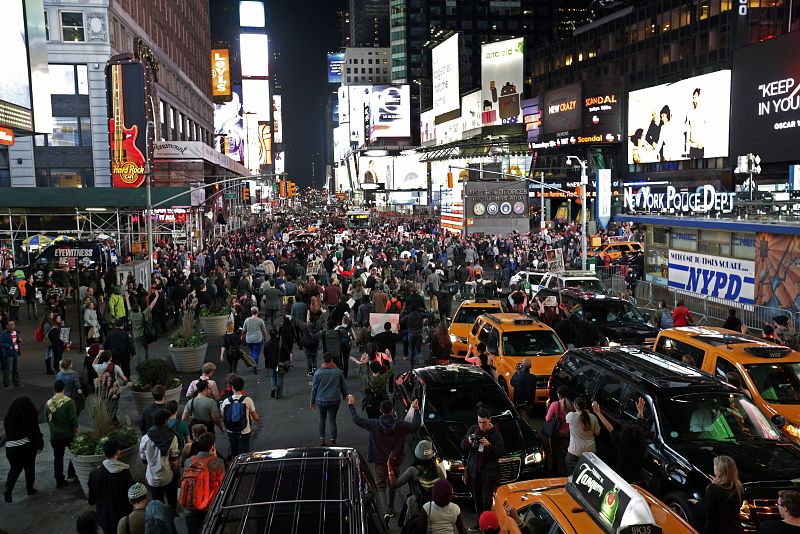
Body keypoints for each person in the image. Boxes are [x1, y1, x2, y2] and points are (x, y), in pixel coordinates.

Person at [346, 394, 421, 521]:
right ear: (392, 410)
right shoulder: (401, 425)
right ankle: (391, 509)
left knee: (380, 486)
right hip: (395, 460)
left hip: (379, 460)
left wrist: (351, 405)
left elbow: (356, 419)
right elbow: (415, 426)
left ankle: (385, 511)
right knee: (393, 484)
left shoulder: (373, 424)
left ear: (381, 411)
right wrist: (416, 410)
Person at [387, 440, 444, 527]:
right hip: (435, 506)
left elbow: (394, 484)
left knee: (410, 525)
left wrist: (389, 466)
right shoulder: (437, 468)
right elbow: (444, 483)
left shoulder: (413, 470)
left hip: (417, 506)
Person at [462, 406, 506, 520]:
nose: (482, 425)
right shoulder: (473, 430)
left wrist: (489, 445)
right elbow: (462, 446)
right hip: (474, 472)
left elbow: (500, 452)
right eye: (479, 422)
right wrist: (468, 441)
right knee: (477, 500)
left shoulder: (495, 434)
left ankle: (487, 523)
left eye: (484, 422)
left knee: (486, 501)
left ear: (489, 420)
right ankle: (480, 521)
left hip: (488, 474)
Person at [592, 398, 649, 484]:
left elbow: (610, 428)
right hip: (636, 476)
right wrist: (640, 411)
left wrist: (598, 413)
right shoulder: (641, 443)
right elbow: (640, 428)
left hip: (621, 476)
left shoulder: (621, 442)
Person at [181, 432, 226, 534]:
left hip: (191, 507)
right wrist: (214, 456)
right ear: (213, 446)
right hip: (209, 508)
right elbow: (222, 483)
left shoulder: (189, 461)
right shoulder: (218, 462)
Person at [87, 438, 134, 534]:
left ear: (104, 453)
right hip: (122, 517)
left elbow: (91, 499)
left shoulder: (94, 473)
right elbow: (132, 494)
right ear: (118, 452)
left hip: (104, 517)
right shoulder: (124, 472)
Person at [3, 396, 44, 502]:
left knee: (14, 469)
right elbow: (35, 431)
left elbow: (7, 433)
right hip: (26, 447)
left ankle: (8, 489)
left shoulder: (9, 418)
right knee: (29, 468)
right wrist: (40, 444)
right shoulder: (29, 417)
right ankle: (30, 488)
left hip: (11, 447)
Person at [689, 455, 743, 534]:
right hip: (734, 529)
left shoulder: (713, 489)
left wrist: (696, 503)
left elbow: (706, 512)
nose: (713, 467)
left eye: (714, 465)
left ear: (719, 470)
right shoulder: (738, 487)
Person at [139, 408, 180, 509]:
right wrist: (177, 474)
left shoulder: (145, 438)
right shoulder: (172, 437)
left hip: (152, 478)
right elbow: (174, 461)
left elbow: (144, 459)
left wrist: (146, 472)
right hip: (167, 476)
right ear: (165, 421)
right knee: (172, 501)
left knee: (158, 503)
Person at [310, 353, 348, 446]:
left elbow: (314, 388)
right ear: (332, 360)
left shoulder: (318, 373)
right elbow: (343, 386)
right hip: (334, 399)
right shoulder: (338, 372)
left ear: (323, 361)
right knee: (332, 420)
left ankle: (322, 439)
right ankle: (333, 439)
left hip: (321, 399)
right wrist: (344, 395)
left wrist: (312, 401)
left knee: (322, 419)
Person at [46, 379, 78, 488]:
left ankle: (59, 480)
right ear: (64, 389)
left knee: (58, 458)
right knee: (75, 454)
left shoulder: (49, 403)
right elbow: (73, 418)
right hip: (68, 434)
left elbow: (47, 419)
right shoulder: (69, 402)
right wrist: (76, 429)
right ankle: (72, 473)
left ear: (54, 389)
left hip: (55, 436)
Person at [219, 375, 260, 458]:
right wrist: (257, 420)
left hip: (231, 430)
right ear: (242, 387)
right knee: (244, 454)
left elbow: (223, 416)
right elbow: (255, 416)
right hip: (245, 430)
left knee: (235, 453)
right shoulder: (247, 400)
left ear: (232, 387)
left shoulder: (226, 401)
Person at [565, 397, 600, 475]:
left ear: (575, 406)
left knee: (572, 476)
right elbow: (597, 432)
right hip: (590, 452)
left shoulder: (570, 416)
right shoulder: (593, 417)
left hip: (574, 452)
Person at [544, 386, 572, 476]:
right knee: (566, 450)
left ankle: (556, 470)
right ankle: (565, 467)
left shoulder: (555, 404)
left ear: (558, 394)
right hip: (568, 432)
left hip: (556, 432)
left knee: (556, 451)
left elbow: (548, 419)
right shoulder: (572, 405)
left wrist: (548, 408)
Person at [127, 289, 158, 365]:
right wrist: (157, 296)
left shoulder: (132, 314)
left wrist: (127, 298)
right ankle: (147, 362)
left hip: (136, 336)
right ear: (139, 309)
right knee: (146, 349)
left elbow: (128, 306)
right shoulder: (143, 314)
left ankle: (139, 365)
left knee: (139, 351)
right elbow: (151, 305)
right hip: (143, 335)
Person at [242, 306, 267, 373]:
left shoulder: (247, 320)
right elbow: (264, 331)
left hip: (249, 339)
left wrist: (243, 337)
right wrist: (265, 338)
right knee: (256, 353)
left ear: (251, 312)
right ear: (257, 312)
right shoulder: (260, 321)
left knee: (252, 351)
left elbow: (244, 330)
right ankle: (255, 365)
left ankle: (252, 362)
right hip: (258, 339)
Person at [0, 319, 22, 389]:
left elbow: (15, 341)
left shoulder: (15, 332)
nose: (13, 326)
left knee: (16, 369)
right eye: (11, 324)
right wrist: (8, 346)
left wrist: (18, 340)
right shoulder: (3, 334)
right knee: (7, 369)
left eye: (13, 324)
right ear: (7, 326)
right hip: (8, 353)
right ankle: (6, 385)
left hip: (15, 352)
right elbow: (0, 343)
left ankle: (16, 383)